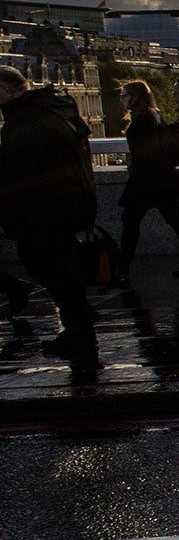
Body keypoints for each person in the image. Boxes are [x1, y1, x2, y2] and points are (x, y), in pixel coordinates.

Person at [0, 64, 98, 359]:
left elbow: (18, 174)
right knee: (59, 263)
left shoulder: (25, 121)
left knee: (46, 263)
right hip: (68, 200)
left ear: (5, 91)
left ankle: (79, 327)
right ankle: (80, 321)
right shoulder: (53, 108)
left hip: (45, 208)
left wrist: (8, 217)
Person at [115, 80, 179, 276]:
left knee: (131, 221)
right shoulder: (152, 115)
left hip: (148, 181)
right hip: (160, 180)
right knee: (174, 220)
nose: (122, 100)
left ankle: (122, 266)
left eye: (125, 95)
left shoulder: (143, 119)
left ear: (135, 98)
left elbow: (147, 152)